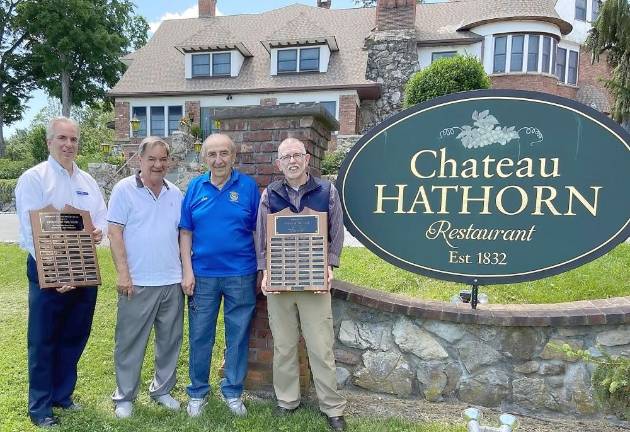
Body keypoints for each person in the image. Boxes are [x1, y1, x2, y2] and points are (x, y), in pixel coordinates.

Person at [15, 117, 107, 428]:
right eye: (62, 138)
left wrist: (98, 233)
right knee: (43, 339)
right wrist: (56, 272)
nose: (69, 144)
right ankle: (40, 406)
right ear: (49, 142)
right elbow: (30, 232)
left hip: (83, 268)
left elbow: (101, 220)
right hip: (47, 270)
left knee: (75, 334)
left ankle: (62, 395)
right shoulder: (33, 178)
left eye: (73, 139)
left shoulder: (88, 182)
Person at [255, 138, 347, 431]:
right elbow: (262, 237)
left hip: (314, 281)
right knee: (283, 345)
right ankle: (287, 401)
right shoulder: (270, 194)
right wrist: (265, 271)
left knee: (321, 347)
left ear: (307, 159)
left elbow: (336, 231)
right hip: (280, 281)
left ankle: (332, 407)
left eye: (297, 155)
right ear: (278, 163)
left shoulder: (327, 191)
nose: (292, 161)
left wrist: (330, 266)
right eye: (286, 157)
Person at [179, 133, 260, 417]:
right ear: (204, 158)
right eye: (212, 154)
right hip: (202, 275)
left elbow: (256, 232)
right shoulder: (194, 187)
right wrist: (187, 271)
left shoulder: (248, 188)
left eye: (224, 153)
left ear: (233, 156)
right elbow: (185, 232)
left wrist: (262, 269)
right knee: (201, 335)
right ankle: (198, 392)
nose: (218, 159)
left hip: (241, 273)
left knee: (237, 336)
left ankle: (233, 391)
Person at [107, 137, 184, 418]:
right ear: (140, 161)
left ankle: (162, 390)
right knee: (130, 342)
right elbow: (114, 233)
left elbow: (182, 235)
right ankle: (125, 395)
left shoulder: (175, 192)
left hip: (171, 280)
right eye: (151, 159)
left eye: (163, 159)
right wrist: (123, 274)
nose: (158, 164)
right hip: (137, 281)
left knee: (170, 340)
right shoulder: (123, 190)